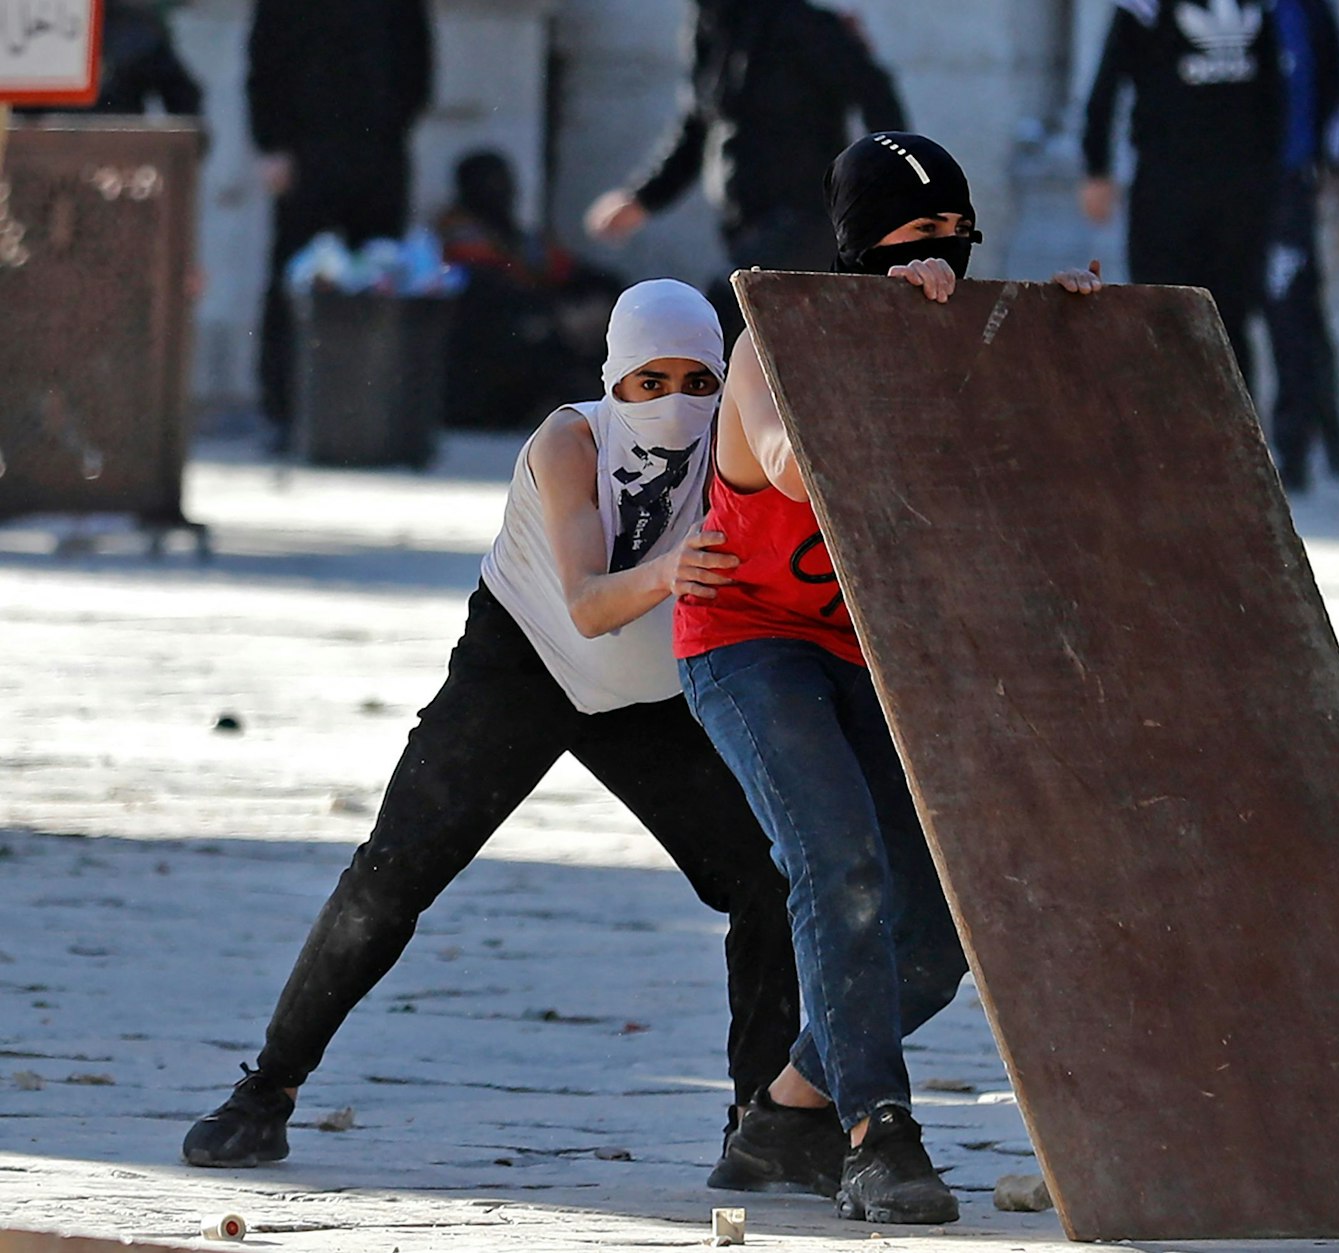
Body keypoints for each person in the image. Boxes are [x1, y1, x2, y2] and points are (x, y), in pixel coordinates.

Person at [180, 281, 800, 1177]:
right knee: (395, 871)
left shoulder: (740, 443)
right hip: (526, 661)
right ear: (614, 382)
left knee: (768, 875)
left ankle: (759, 1128)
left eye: (699, 382)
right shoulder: (569, 440)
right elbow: (587, 605)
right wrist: (674, 570)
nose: (675, 404)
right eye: (648, 382)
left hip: (653, 694)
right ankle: (266, 1089)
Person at [675, 132, 1103, 1225]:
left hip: (871, 649)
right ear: (862, 250)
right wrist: (883, 350)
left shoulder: (955, 330)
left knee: (939, 935)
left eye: (958, 236)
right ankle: (874, 1129)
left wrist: (1057, 338)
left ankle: (782, 1110)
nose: (942, 258)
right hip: (750, 637)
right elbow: (778, 458)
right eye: (914, 240)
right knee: (837, 858)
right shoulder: (778, 338)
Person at [583, 0, 905, 337]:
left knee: (723, 318)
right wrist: (642, 200)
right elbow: (697, 128)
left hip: (806, 219)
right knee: (757, 342)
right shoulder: (709, 27)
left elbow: (875, 93)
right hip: (746, 228)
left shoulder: (801, 23)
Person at [246, 0, 434, 448]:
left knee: (382, 281)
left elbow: (416, 68)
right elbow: (265, 65)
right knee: (294, 283)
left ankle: (376, 412)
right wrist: (271, 144)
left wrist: (392, 134)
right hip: (306, 155)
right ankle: (285, 410)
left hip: (378, 154)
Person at [1081, 0, 1284, 388]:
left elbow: (1276, 92)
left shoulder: (1260, 7)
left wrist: (1276, 180)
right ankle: (1168, 437)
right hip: (1167, 184)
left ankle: (1236, 439)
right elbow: (1107, 85)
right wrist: (1097, 169)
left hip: (1240, 188)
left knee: (1230, 319)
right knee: (1161, 312)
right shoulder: (1145, 7)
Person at [437, 149, 624, 429]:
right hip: (483, 338)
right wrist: (557, 313)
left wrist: (613, 294)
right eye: (489, 184)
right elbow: (492, 287)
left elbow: (569, 271)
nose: (500, 192)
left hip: (539, 321)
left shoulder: (519, 237)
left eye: (504, 183)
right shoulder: (457, 232)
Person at [1264, 0, 1339, 492]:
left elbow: (1334, 86)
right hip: (1238, 188)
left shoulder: (1308, 12)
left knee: (1295, 317)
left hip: (1291, 184)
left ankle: (1307, 443)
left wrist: (1337, 166)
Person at [16, 0, 203, 121]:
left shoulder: (136, 29)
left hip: (125, 160)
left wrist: (173, 152)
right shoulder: (31, 24)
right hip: (45, 160)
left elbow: (182, 98)